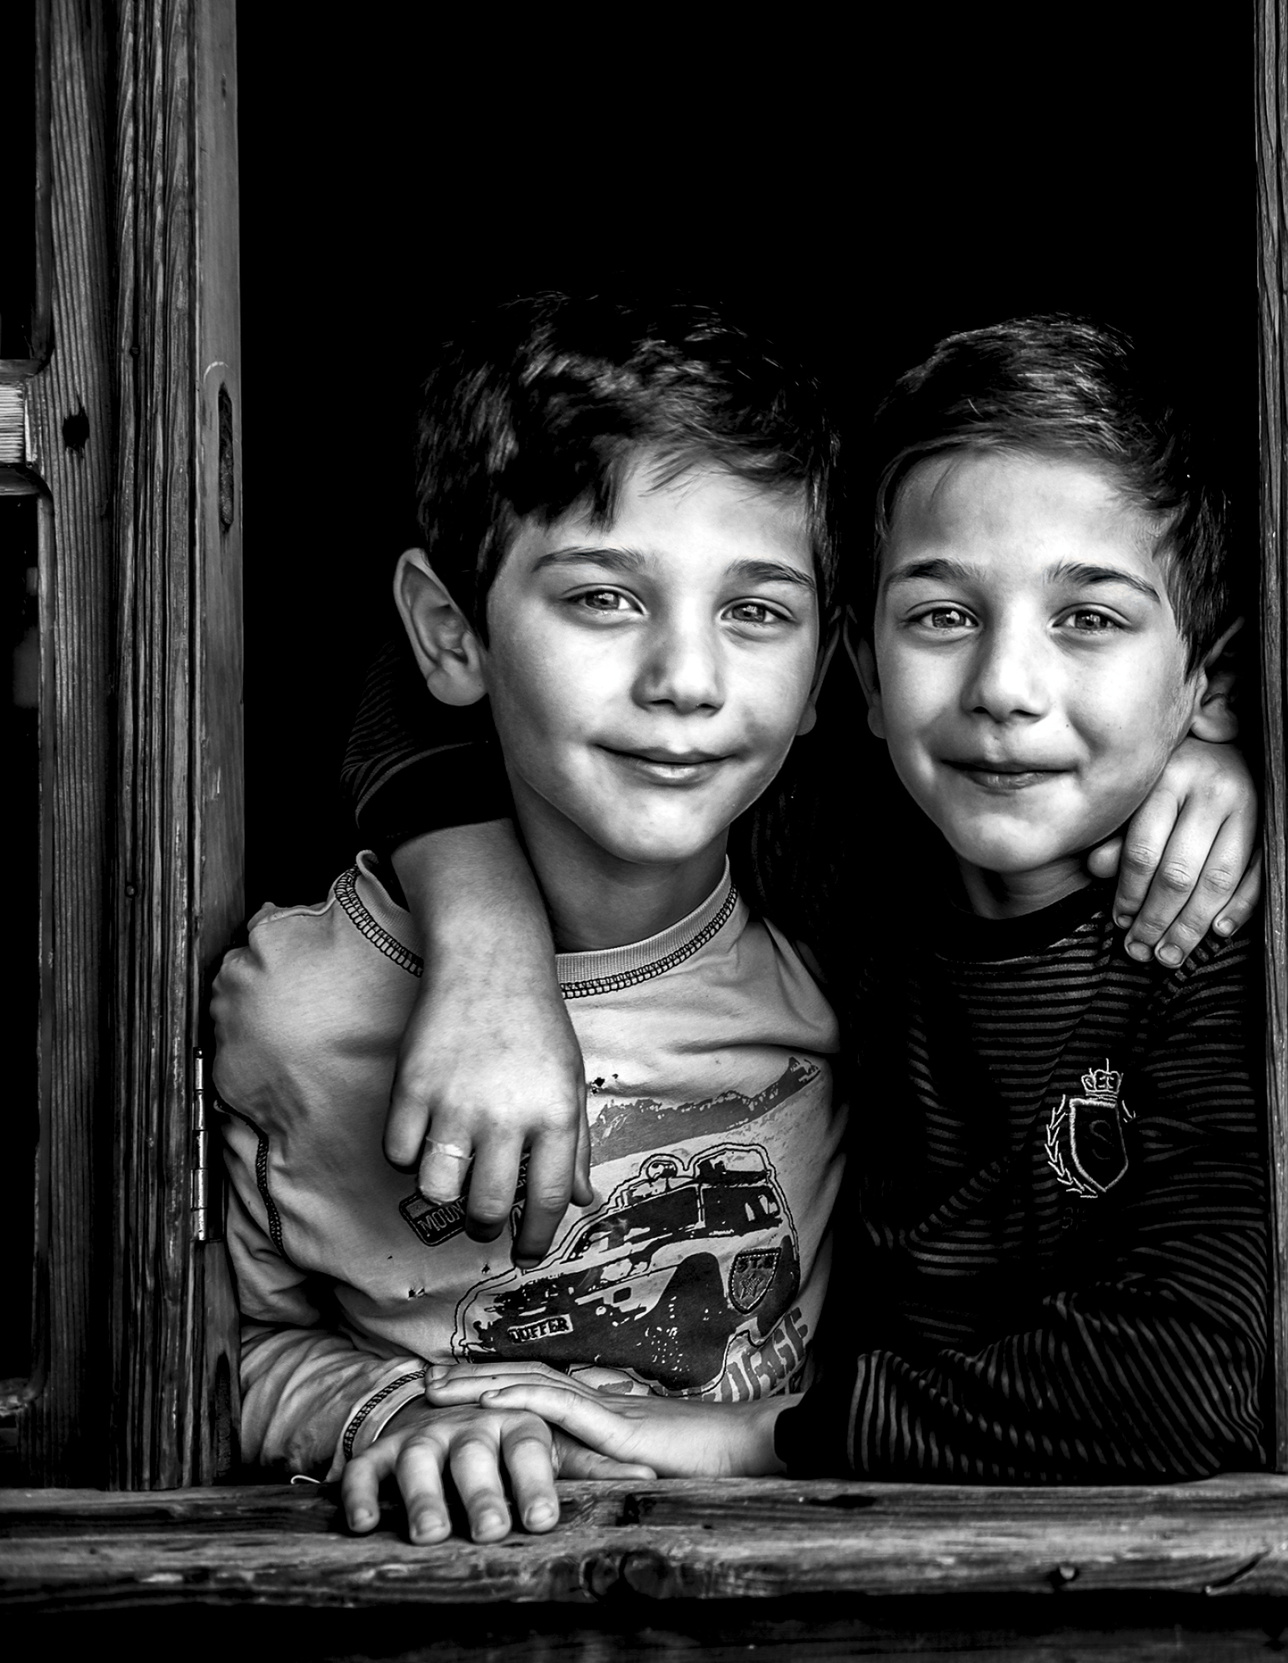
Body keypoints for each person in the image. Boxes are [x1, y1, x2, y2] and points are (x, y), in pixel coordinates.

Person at [420, 316, 1270, 1481]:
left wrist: (765, 1438)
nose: (1005, 687)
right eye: (942, 616)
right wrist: (486, 951)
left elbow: (1193, 1385)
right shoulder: (842, 855)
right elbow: (447, 670)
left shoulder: (1218, 949)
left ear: (1209, 679)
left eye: (1090, 619)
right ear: (860, 671)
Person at [214, 293, 852, 1542]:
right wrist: (389, 1414)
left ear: (826, 670)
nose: (686, 679)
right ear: (450, 636)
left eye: (756, 611)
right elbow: (218, 1347)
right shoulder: (296, 1007)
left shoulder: (842, 952)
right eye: (604, 598)